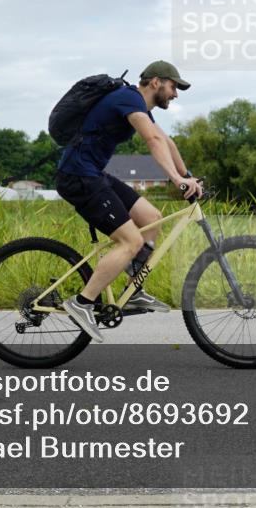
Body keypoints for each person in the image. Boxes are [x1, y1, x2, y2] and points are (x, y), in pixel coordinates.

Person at [56, 60, 203, 342]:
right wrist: (176, 179)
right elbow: (152, 140)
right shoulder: (128, 98)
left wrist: (190, 176)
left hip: (92, 173)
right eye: (174, 86)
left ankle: (131, 291)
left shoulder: (139, 106)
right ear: (156, 82)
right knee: (131, 241)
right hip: (77, 176)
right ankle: (82, 302)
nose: (176, 94)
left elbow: (165, 140)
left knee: (150, 218)